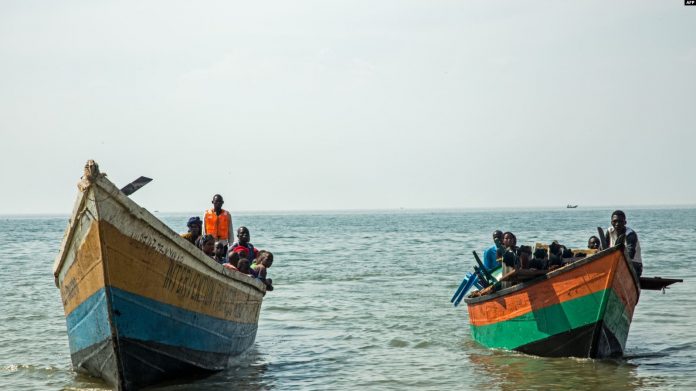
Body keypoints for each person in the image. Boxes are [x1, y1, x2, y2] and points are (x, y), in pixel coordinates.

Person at [604, 210, 643, 277]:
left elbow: (630, 255)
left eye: (620, 221)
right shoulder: (609, 231)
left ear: (625, 222)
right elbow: (604, 248)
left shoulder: (630, 234)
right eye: (615, 221)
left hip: (634, 265)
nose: (617, 224)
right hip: (615, 264)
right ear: (611, 222)